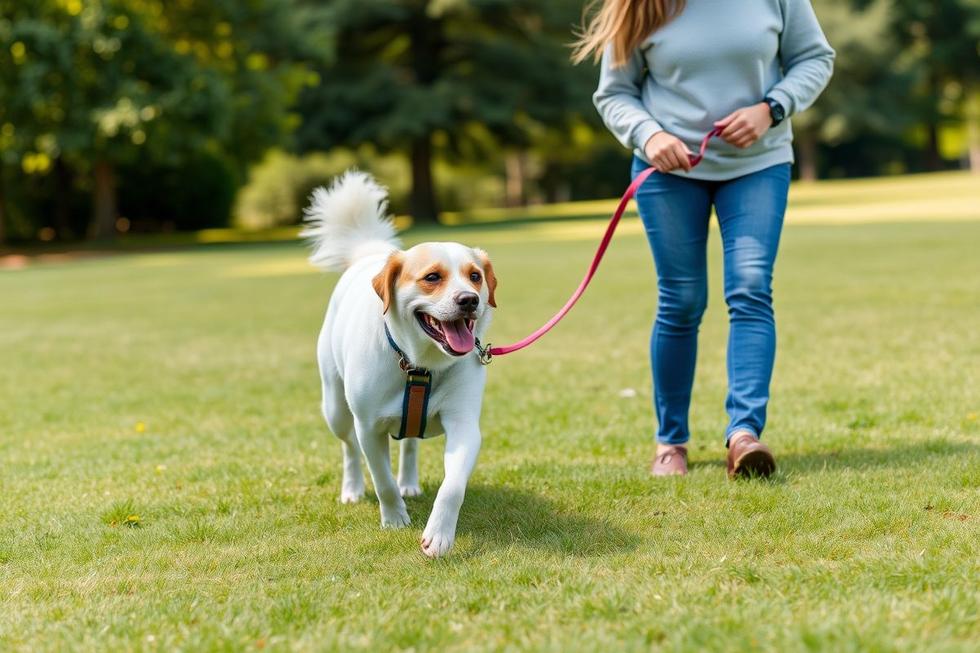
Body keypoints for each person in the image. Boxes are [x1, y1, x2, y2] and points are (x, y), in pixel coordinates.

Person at [574, 0, 834, 477]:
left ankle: (744, 434)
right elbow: (614, 94)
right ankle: (671, 442)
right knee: (681, 301)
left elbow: (816, 58)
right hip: (667, 172)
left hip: (759, 164)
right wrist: (648, 135)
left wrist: (771, 109)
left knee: (752, 287)